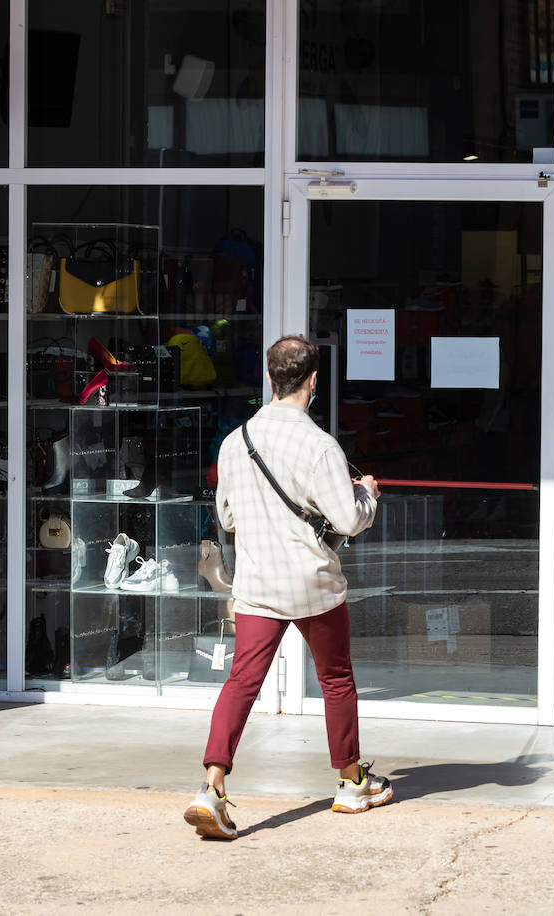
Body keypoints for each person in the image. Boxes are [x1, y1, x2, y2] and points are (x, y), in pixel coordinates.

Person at [184, 335, 389, 839]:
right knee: (336, 679)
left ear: (271, 378)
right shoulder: (320, 445)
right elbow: (346, 518)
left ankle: (212, 787)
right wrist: (367, 497)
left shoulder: (236, 442)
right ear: (314, 381)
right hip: (313, 584)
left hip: (257, 583)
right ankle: (350, 780)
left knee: (242, 683)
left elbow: (227, 518)